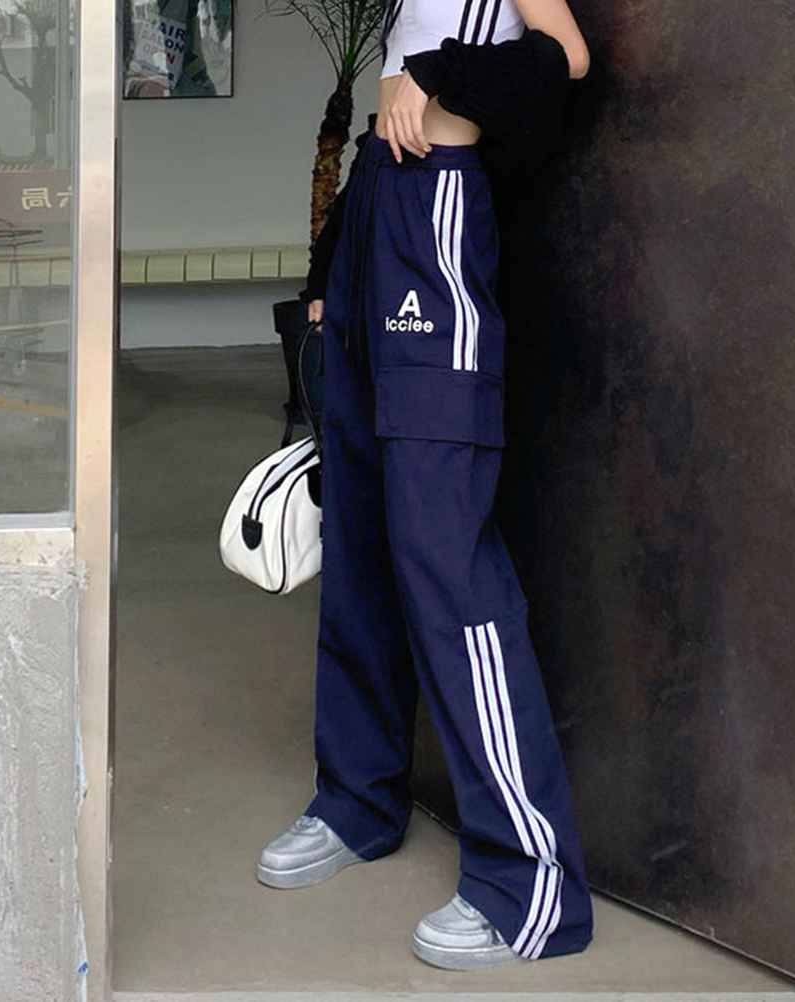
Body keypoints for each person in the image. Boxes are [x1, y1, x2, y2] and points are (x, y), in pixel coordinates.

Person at [258, 0, 593, 972]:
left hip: (439, 215)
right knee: (359, 536)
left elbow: (564, 62)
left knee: (443, 554)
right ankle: (355, 801)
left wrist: (440, 77)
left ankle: (529, 882)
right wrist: (331, 266)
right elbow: (394, 94)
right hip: (377, 211)